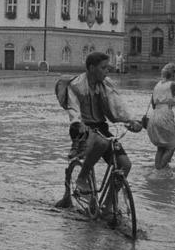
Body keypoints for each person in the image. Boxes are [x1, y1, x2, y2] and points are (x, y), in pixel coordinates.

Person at [55, 52, 142, 208]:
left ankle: (108, 206)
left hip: (101, 127)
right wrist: (77, 122)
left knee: (125, 164)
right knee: (101, 144)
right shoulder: (76, 85)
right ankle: (81, 178)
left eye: (107, 68)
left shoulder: (106, 84)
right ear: (91, 68)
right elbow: (73, 108)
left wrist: (131, 120)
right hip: (81, 128)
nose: (107, 71)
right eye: (103, 68)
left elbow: (118, 105)